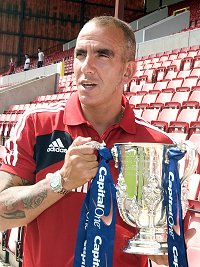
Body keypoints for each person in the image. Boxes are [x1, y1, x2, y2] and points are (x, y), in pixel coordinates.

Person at [0, 16, 178, 267]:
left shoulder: (156, 145)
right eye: (81, 54)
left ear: (128, 70)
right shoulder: (37, 124)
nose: (86, 66)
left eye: (102, 55)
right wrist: (60, 181)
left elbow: (168, 238)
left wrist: (167, 254)